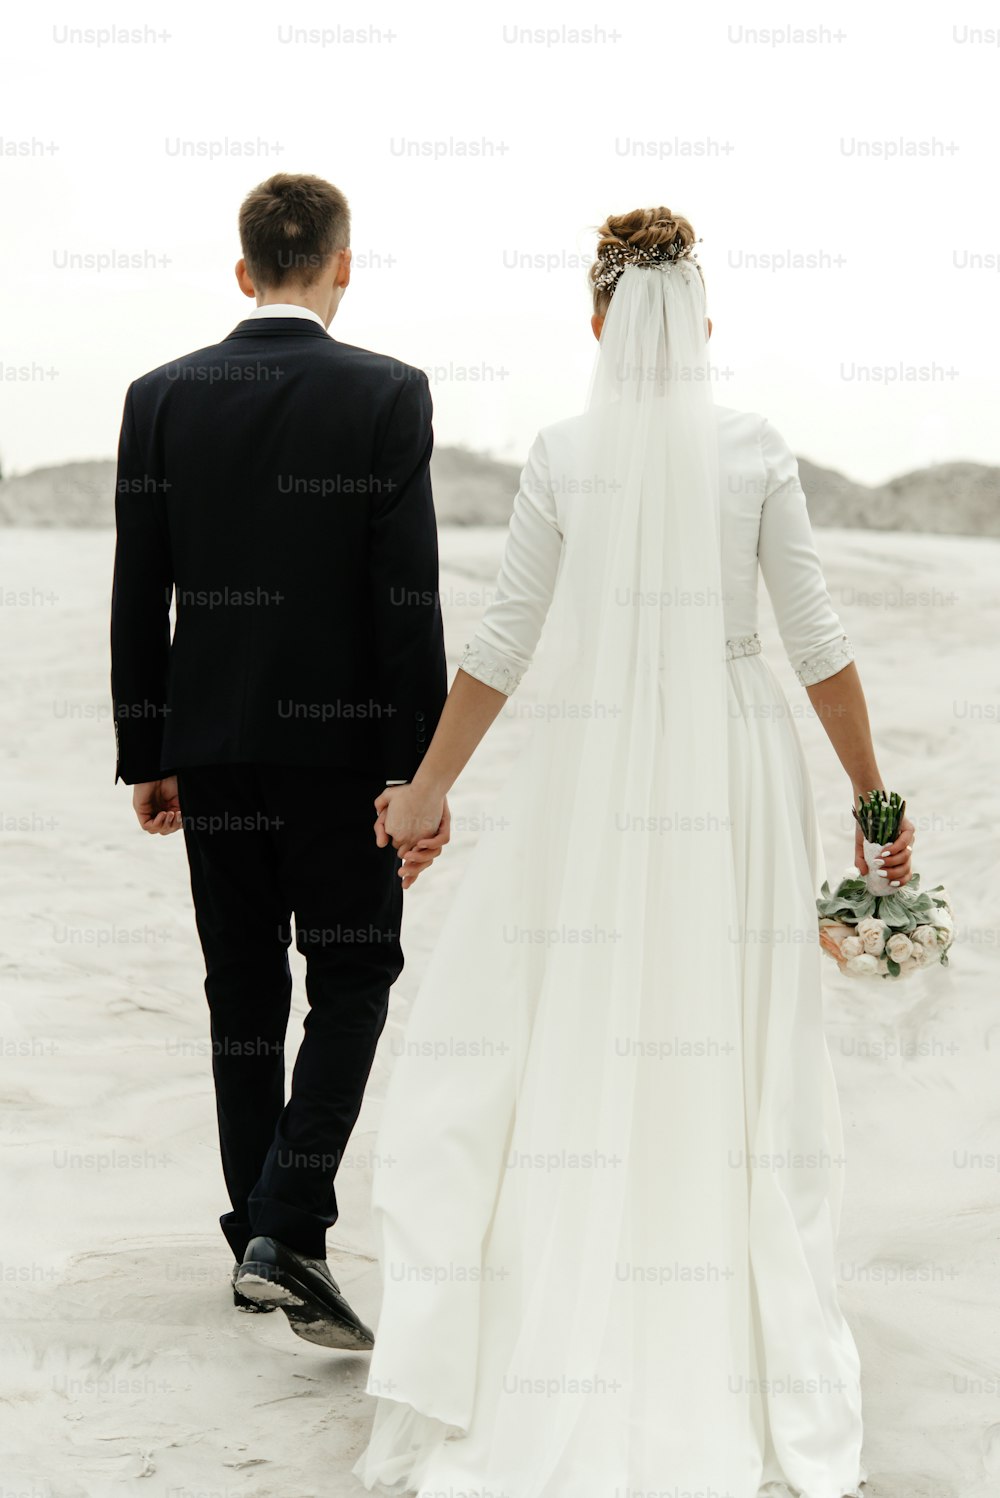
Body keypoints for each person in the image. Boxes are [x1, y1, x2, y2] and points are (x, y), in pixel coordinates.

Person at [355, 207, 913, 1497]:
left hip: (592, 768)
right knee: (729, 1026)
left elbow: (501, 646)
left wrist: (423, 796)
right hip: (731, 764)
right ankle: (720, 1291)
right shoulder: (754, 448)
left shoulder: (561, 450)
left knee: (580, 1018)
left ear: (597, 323)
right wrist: (874, 800)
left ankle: (571, 1308)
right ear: (703, 322)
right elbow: (817, 640)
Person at [110, 173, 449, 1349]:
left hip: (209, 752)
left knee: (241, 993)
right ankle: (287, 1225)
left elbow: (137, 588)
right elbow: (406, 598)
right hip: (344, 752)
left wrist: (146, 749)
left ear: (243, 267)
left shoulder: (158, 396)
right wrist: (420, 772)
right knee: (351, 982)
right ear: (342, 265)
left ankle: (258, 1230)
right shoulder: (386, 393)